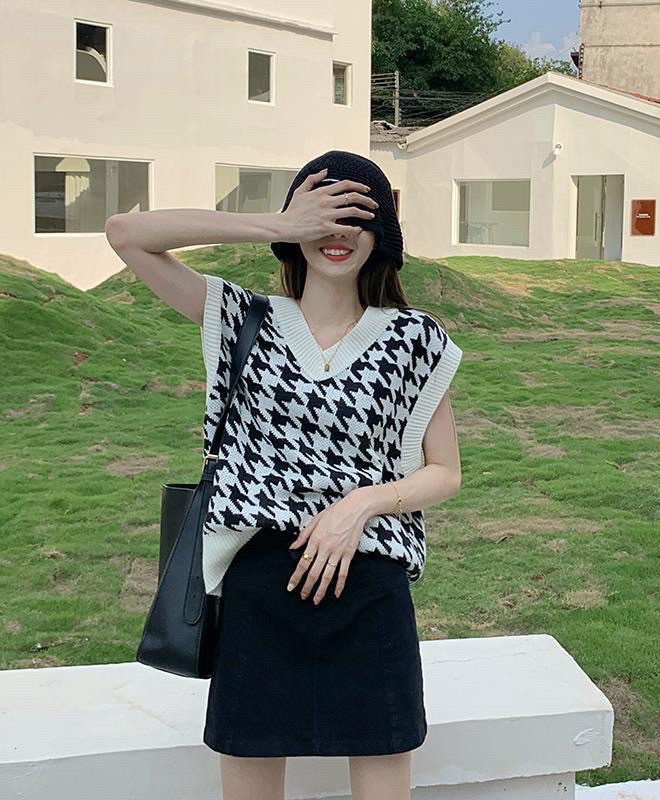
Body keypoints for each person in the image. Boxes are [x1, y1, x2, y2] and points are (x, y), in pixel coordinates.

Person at [105, 150, 463, 800]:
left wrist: (360, 505)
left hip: (370, 588)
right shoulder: (244, 318)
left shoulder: (414, 338)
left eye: (353, 217)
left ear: (381, 234)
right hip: (259, 586)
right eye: (321, 215)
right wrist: (277, 223)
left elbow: (444, 473)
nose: (335, 233)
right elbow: (127, 233)